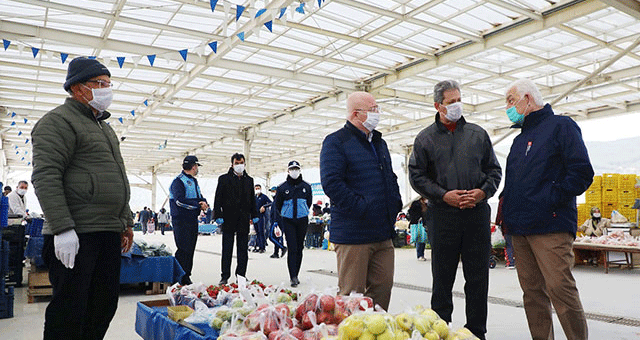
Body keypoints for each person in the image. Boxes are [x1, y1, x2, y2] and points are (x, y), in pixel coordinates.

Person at [31, 56, 134, 340]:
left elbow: (117, 179)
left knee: (103, 305)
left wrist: (125, 222)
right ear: (77, 88)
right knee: (69, 310)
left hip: (107, 232)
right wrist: (63, 228)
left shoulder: (105, 127)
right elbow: (46, 176)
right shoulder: (57, 122)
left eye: (109, 84)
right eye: (100, 83)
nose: (106, 90)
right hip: (78, 234)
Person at [408, 80, 502, 340]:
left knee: (477, 277)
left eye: (459, 99)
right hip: (442, 215)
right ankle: (440, 330)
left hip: (476, 214)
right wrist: (442, 195)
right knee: (442, 277)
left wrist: (483, 192)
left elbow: (494, 171)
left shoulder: (477, 134)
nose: (457, 105)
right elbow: (416, 176)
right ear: (438, 105)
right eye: (451, 102)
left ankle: (476, 332)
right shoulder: (425, 138)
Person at [501, 78, 593, 340]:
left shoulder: (561, 127)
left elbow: (581, 172)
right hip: (520, 229)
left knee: (560, 288)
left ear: (527, 99)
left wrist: (550, 198)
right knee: (532, 294)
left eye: (510, 100)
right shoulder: (520, 140)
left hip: (550, 226)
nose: (507, 107)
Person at [320, 91, 402, 311]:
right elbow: (332, 183)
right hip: (353, 234)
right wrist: (362, 207)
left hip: (382, 232)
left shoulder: (378, 142)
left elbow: (390, 177)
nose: (378, 113)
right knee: (352, 298)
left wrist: (394, 203)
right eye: (373, 109)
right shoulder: (336, 142)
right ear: (356, 114)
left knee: (382, 290)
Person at [213, 153, 259, 285]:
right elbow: (218, 199)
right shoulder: (223, 179)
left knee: (242, 249)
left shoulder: (249, 180)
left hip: (243, 218)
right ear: (232, 164)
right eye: (237, 163)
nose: (240, 165)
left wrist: (254, 215)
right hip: (228, 218)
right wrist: (218, 215)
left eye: (242, 163)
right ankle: (225, 276)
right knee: (227, 248)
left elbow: (252, 199)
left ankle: (241, 275)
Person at [169, 155, 209, 285]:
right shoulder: (178, 181)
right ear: (193, 166)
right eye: (197, 166)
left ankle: (187, 275)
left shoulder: (194, 181)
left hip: (192, 220)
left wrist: (204, 203)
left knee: (190, 248)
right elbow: (180, 201)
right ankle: (179, 277)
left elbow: (199, 196)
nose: (197, 169)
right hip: (181, 220)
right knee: (183, 249)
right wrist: (198, 204)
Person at [274, 161, 312, 286]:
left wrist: (302, 211)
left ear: (299, 170)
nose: (294, 171)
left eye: (296, 168)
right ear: (288, 171)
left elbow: (309, 202)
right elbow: (277, 205)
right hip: (288, 221)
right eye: (292, 169)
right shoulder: (282, 187)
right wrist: (283, 216)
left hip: (302, 220)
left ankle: (297, 272)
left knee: (300, 247)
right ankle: (293, 276)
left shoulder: (306, 187)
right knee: (292, 247)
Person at [495, 196, 515, 269]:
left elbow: (500, 212)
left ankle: (510, 262)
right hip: (518, 226)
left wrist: (497, 223)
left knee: (508, 245)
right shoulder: (518, 196)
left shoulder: (503, 199)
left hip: (507, 226)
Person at [254, 184, 272, 253]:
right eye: (256, 188)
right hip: (255, 216)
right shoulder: (254, 197)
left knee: (261, 232)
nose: (257, 189)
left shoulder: (264, 197)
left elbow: (270, 203)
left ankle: (262, 247)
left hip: (261, 216)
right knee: (257, 232)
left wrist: (264, 206)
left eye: (258, 188)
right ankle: (257, 246)